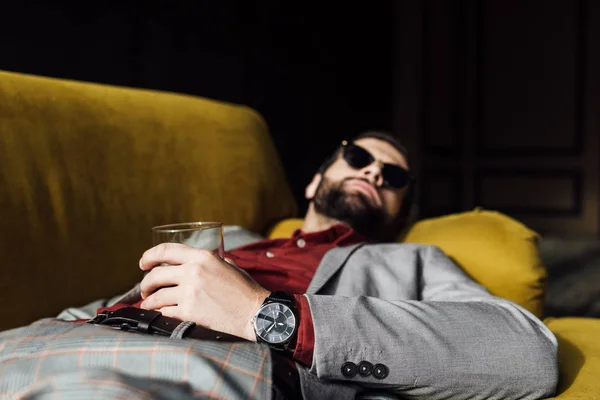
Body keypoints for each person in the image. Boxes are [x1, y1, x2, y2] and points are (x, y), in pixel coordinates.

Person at [57, 131, 558, 399]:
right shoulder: (225, 239)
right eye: (358, 155)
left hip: (213, 368)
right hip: (75, 337)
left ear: (400, 212)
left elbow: (523, 351)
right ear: (315, 184)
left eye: (395, 176)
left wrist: (267, 314)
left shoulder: (412, 260)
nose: (375, 170)